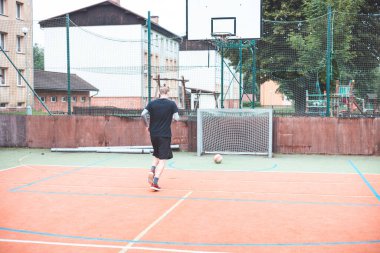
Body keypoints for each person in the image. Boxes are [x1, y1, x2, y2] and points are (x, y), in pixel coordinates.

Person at [141, 85, 179, 191]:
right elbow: (177, 118)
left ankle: (151, 170)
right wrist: (172, 118)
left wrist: (147, 125)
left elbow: (143, 114)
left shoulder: (152, 103)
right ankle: (155, 182)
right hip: (164, 134)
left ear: (159, 93)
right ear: (168, 93)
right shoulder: (171, 104)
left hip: (153, 134)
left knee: (156, 154)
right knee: (162, 160)